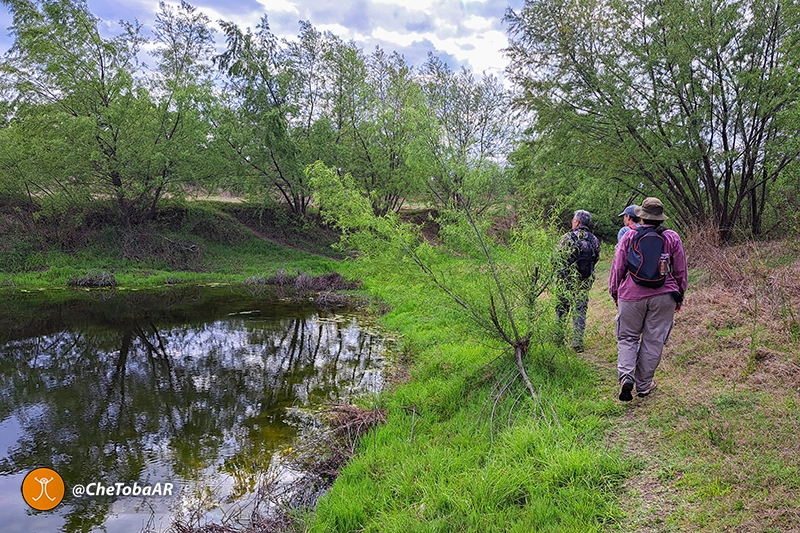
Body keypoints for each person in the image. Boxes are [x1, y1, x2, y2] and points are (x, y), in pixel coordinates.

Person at [608, 197, 687, 401]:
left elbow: (618, 268)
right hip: (664, 296)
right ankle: (643, 385)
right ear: (660, 218)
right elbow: (680, 271)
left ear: (641, 216)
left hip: (631, 295)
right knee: (653, 341)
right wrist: (679, 296)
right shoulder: (672, 238)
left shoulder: (629, 236)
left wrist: (615, 293)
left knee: (627, 337)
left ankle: (626, 376)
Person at [554, 210, 601, 352]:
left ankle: (558, 339)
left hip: (566, 280)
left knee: (562, 309)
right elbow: (596, 258)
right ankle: (577, 343)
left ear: (578, 222)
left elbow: (556, 258)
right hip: (585, 280)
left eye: (573, 220)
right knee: (580, 310)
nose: (572, 222)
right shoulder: (594, 240)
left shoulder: (567, 237)